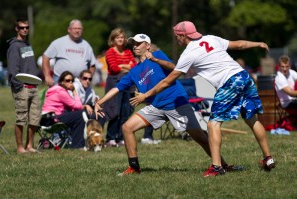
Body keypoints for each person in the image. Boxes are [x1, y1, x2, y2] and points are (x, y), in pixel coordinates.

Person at [131, 21, 275, 176]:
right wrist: (258, 43)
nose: (176, 40)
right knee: (251, 119)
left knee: (213, 125)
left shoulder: (189, 53)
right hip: (244, 77)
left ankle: (216, 167)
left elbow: (168, 81)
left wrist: (146, 95)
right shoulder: (211, 38)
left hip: (229, 82)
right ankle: (268, 158)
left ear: (183, 35)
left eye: (176, 37)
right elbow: (239, 45)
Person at [95, 33, 239, 176]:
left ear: (148, 46)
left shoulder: (158, 54)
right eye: (133, 44)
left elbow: (175, 67)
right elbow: (117, 88)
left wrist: (156, 59)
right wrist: (100, 102)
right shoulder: (134, 71)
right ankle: (134, 167)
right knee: (127, 127)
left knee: (200, 137)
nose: (135, 46)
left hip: (177, 103)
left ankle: (222, 165)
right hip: (156, 107)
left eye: (138, 43)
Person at [7, 17, 41, 154]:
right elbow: (12, 70)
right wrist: (19, 86)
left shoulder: (27, 45)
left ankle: (29, 145)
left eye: (27, 27)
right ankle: (20, 147)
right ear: (17, 29)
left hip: (34, 87)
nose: (25, 29)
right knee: (21, 119)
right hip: (22, 88)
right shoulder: (14, 46)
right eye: (22, 27)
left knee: (34, 118)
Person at [41, 71, 96, 148]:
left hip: (47, 118)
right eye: (67, 80)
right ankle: (77, 145)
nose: (70, 82)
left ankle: (76, 142)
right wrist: (74, 91)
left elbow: (72, 107)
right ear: (62, 82)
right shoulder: (61, 92)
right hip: (52, 119)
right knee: (81, 114)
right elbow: (78, 106)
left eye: (72, 81)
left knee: (78, 114)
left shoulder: (57, 90)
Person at [103, 28, 137, 147]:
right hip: (114, 83)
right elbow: (113, 68)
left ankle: (122, 137)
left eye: (122, 37)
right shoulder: (110, 52)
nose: (120, 39)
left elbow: (134, 66)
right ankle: (110, 138)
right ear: (113, 39)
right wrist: (126, 66)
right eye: (118, 37)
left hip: (128, 84)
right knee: (114, 111)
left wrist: (123, 66)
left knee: (125, 111)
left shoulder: (128, 51)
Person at [42, 19, 97, 86]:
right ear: (69, 30)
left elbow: (92, 65)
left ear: (82, 30)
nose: (77, 31)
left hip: (79, 83)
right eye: (75, 28)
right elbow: (46, 57)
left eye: (79, 29)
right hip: (60, 80)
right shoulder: (59, 42)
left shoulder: (86, 46)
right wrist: (47, 76)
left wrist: (87, 79)